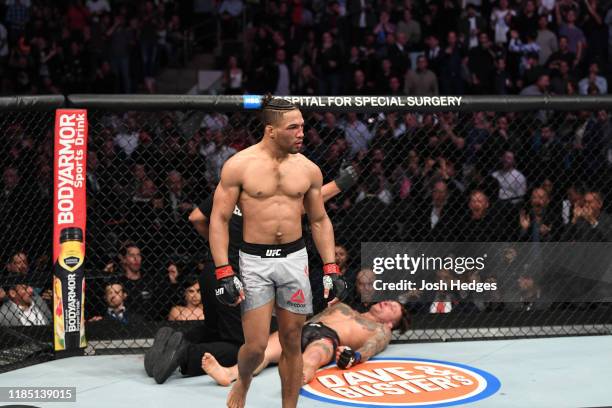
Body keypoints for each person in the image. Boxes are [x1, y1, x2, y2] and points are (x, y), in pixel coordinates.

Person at [145, 163, 357, 385]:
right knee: (249, 345)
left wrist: (220, 244)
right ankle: (184, 355)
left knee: (215, 329)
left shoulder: (229, 190)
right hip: (235, 278)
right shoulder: (269, 198)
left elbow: (196, 217)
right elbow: (309, 203)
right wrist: (341, 183)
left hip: (212, 270)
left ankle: (173, 341)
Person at [209, 96, 348, 408]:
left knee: (291, 340)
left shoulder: (309, 170)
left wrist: (330, 267)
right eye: (293, 127)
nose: (302, 133)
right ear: (271, 130)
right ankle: (243, 380)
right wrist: (223, 270)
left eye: (302, 126)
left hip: (294, 259)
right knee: (256, 347)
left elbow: (318, 219)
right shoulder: (239, 166)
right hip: (255, 260)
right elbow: (218, 220)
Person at [202, 301, 410, 386]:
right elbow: (314, 317)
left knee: (312, 357)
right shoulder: (343, 306)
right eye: (388, 300)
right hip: (304, 328)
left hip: (328, 338)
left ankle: (297, 376)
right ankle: (228, 374)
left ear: (391, 323)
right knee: (262, 351)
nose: (386, 302)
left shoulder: (381, 331)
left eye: (392, 307)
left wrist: (354, 357)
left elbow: (372, 347)